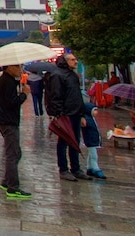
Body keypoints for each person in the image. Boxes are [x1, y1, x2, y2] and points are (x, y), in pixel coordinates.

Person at [45, 53, 91, 181]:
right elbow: (55, 96)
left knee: (75, 141)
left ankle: (76, 168)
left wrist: (81, 114)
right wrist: (57, 114)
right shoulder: (58, 75)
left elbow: (76, 95)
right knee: (63, 142)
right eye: (72, 59)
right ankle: (63, 169)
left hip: (76, 113)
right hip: (65, 115)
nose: (76, 62)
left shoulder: (73, 75)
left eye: (76, 59)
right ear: (65, 61)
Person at [0, 64, 32, 198]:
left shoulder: (4, 80)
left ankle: (6, 180)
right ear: (9, 67)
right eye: (17, 67)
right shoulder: (7, 82)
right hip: (8, 121)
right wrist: (24, 95)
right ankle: (13, 187)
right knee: (13, 154)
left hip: (4, 119)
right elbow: (12, 102)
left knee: (15, 152)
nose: (20, 70)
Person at [80, 102, 106, 179]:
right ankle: (96, 169)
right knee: (94, 156)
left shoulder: (92, 119)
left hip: (93, 140)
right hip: (91, 140)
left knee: (90, 155)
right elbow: (83, 124)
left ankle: (89, 168)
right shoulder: (87, 119)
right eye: (94, 110)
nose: (96, 112)